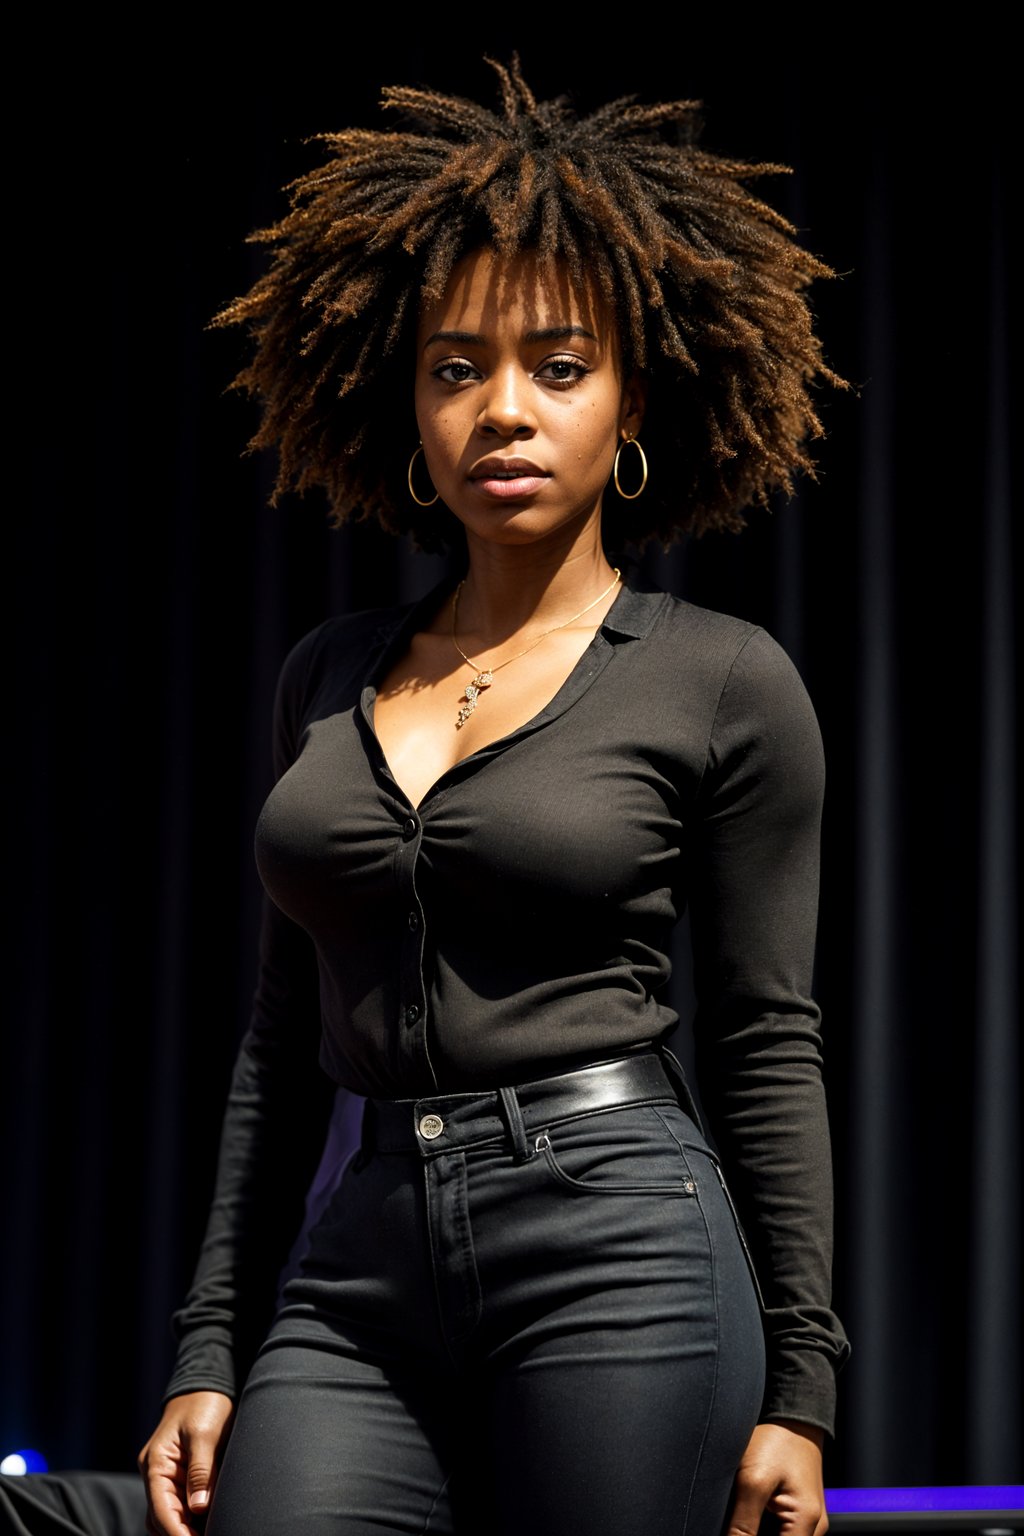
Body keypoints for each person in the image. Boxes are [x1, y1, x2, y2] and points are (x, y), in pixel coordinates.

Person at [138, 56, 850, 1536]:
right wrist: (209, 1346)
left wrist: (803, 1390)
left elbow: (770, 1036)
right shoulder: (329, 675)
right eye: (456, 368)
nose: (502, 411)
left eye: (558, 366)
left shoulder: (721, 679)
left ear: (632, 396)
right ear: (406, 399)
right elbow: (280, 1041)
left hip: (619, 1239)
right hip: (360, 1263)